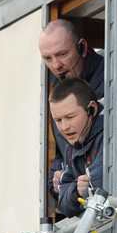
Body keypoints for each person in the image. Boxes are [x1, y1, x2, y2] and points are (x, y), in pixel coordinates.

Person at [38, 19, 104, 200]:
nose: (56, 65)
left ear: (82, 47)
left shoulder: (112, 78)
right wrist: (57, 178)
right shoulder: (56, 95)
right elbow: (62, 155)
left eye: (62, 54)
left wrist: (79, 186)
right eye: (48, 59)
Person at [49, 77, 103, 218]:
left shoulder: (109, 135)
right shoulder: (71, 144)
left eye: (70, 117)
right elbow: (63, 203)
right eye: (58, 120)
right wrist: (76, 190)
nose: (64, 127)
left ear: (92, 109)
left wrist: (79, 189)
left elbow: (97, 187)